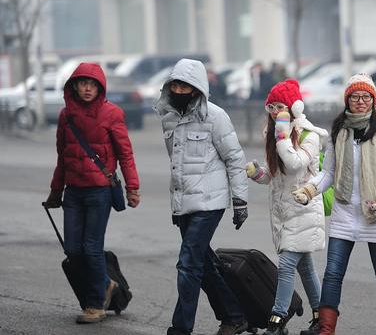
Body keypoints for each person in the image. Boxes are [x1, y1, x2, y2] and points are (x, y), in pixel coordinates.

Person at [292, 73, 376, 335]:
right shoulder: (339, 130)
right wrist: (310, 189)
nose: (360, 101)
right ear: (347, 99)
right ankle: (326, 330)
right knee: (333, 273)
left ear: (373, 99)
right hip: (345, 212)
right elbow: (329, 173)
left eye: (366, 96)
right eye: (355, 96)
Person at [155, 58, 249, 335]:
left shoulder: (215, 116)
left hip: (211, 200)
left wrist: (240, 201)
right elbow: (177, 165)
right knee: (202, 264)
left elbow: (234, 158)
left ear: (197, 88)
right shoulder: (168, 116)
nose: (179, 90)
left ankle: (181, 329)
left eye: (185, 85)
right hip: (185, 202)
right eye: (175, 84)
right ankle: (234, 316)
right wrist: (176, 204)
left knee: (187, 264)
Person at [44, 62, 140, 324]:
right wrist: (56, 192)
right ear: (73, 86)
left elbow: (125, 154)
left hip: (99, 191)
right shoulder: (66, 116)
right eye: (82, 83)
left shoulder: (112, 113)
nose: (87, 88)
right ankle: (107, 284)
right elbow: (63, 157)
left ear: (100, 87)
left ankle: (95, 304)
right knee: (73, 250)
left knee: (91, 248)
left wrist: (133, 187)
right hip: (73, 192)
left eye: (92, 84)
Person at [245, 79, 327, 335]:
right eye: (271, 107)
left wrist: (281, 134)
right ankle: (322, 318)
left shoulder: (309, 136)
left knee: (287, 264)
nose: (274, 112)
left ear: (295, 108)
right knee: (305, 267)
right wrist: (257, 173)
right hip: (283, 212)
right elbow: (275, 175)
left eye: (280, 106)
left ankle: (277, 319)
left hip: (303, 208)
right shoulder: (274, 134)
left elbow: (294, 164)